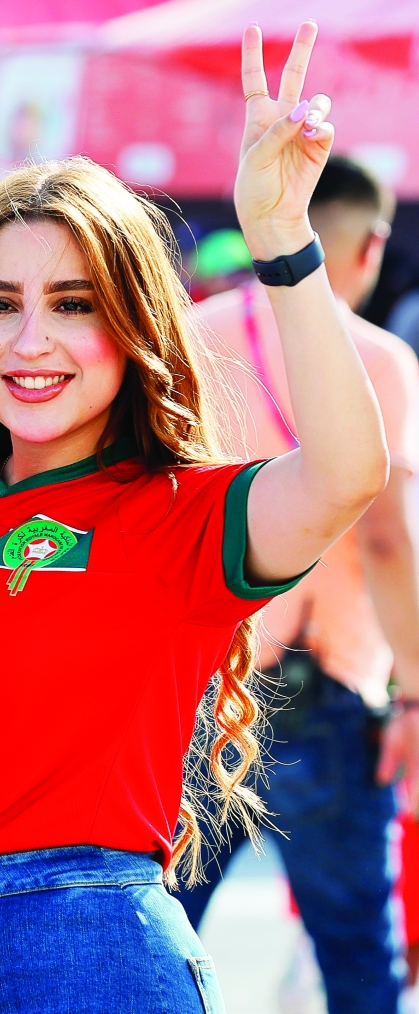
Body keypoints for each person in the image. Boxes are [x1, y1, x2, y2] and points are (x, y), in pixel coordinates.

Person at [0, 23, 389, 1011]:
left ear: (131, 325)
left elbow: (347, 473)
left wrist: (282, 241)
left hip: (84, 960)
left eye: (74, 304)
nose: (31, 341)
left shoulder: (179, 516)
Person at [179, 155, 419, 1013]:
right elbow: (386, 539)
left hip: (198, 687)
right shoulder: (376, 358)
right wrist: (416, 694)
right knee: (356, 957)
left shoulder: (187, 338)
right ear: (372, 245)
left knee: (156, 938)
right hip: (325, 689)